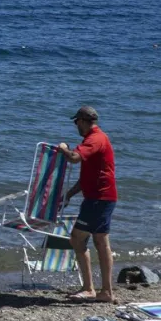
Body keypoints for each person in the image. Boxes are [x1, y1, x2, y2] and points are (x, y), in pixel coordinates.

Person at [57, 106, 117, 303]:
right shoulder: (96, 139)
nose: (76, 126)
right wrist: (70, 195)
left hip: (98, 199)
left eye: (76, 122)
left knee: (77, 238)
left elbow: (74, 158)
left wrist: (63, 148)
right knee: (101, 242)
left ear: (83, 121)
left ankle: (89, 288)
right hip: (102, 197)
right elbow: (87, 177)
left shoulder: (95, 139)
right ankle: (105, 291)